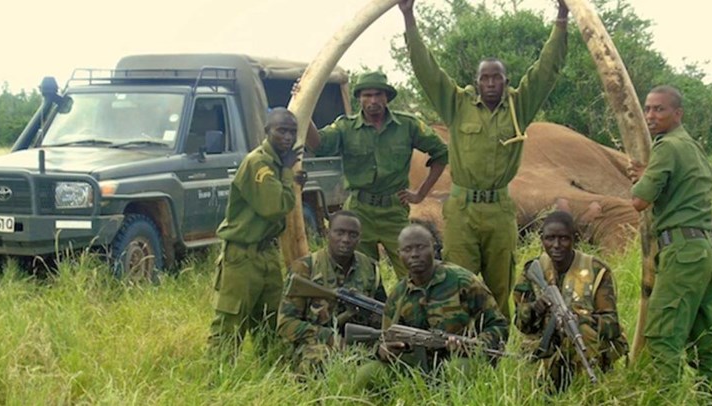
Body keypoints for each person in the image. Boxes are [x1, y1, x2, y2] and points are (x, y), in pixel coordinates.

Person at [398, 0, 569, 320]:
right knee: (457, 283)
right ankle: (457, 346)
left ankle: (496, 346)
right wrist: (409, 19)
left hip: (500, 210)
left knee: (500, 284)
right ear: (477, 82)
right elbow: (427, 71)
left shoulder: (520, 106)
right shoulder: (457, 104)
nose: (491, 83)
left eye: (497, 78)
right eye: (485, 78)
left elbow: (547, 71)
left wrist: (561, 20)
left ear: (506, 81)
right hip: (462, 211)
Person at [304, 71, 448, 279]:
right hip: (359, 212)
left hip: (394, 211)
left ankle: (410, 310)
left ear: (387, 97)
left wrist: (420, 194)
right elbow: (318, 145)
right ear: (359, 98)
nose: (373, 100)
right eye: (367, 95)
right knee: (359, 276)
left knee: (413, 273)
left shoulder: (408, 125)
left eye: (378, 94)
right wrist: (306, 106)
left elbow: (442, 153)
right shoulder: (346, 127)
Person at [628, 85, 712, 386]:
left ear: (677, 113)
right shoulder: (693, 147)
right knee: (704, 334)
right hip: (703, 250)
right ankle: (708, 395)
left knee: (663, 333)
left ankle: (666, 396)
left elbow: (639, 201)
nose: (651, 115)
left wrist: (643, 178)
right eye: (648, 108)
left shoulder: (666, 147)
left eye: (659, 109)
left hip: (681, 251)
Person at [355, 224, 508, 390]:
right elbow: (385, 338)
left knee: (459, 369)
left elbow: (498, 325)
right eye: (407, 249)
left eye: (420, 247)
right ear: (399, 255)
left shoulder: (463, 281)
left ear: (433, 248)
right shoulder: (398, 295)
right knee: (366, 374)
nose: (414, 255)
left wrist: (472, 345)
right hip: (414, 367)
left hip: (457, 360)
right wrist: (383, 350)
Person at [208, 107, 303, 357]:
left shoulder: (277, 162)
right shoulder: (258, 162)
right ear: (267, 131)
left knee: (270, 321)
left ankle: (269, 376)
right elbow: (274, 207)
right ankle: (218, 381)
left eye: (292, 132)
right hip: (242, 256)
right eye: (281, 130)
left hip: (267, 253)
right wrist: (286, 174)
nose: (287, 137)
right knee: (231, 323)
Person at [513, 211, 628, 391]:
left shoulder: (597, 270)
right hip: (546, 345)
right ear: (541, 239)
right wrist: (536, 308)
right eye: (550, 238)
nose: (556, 245)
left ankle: (587, 385)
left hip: (588, 344)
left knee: (581, 333)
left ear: (574, 239)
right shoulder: (533, 269)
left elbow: (611, 325)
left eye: (564, 239)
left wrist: (579, 319)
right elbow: (521, 324)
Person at [277, 210, 387, 373]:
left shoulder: (370, 268)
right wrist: (330, 338)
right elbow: (286, 324)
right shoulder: (306, 268)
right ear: (328, 233)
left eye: (352, 235)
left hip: (360, 341)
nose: (345, 240)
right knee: (320, 360)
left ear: (359, 238)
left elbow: (384, 313)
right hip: (316, 343)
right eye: (339, 233)